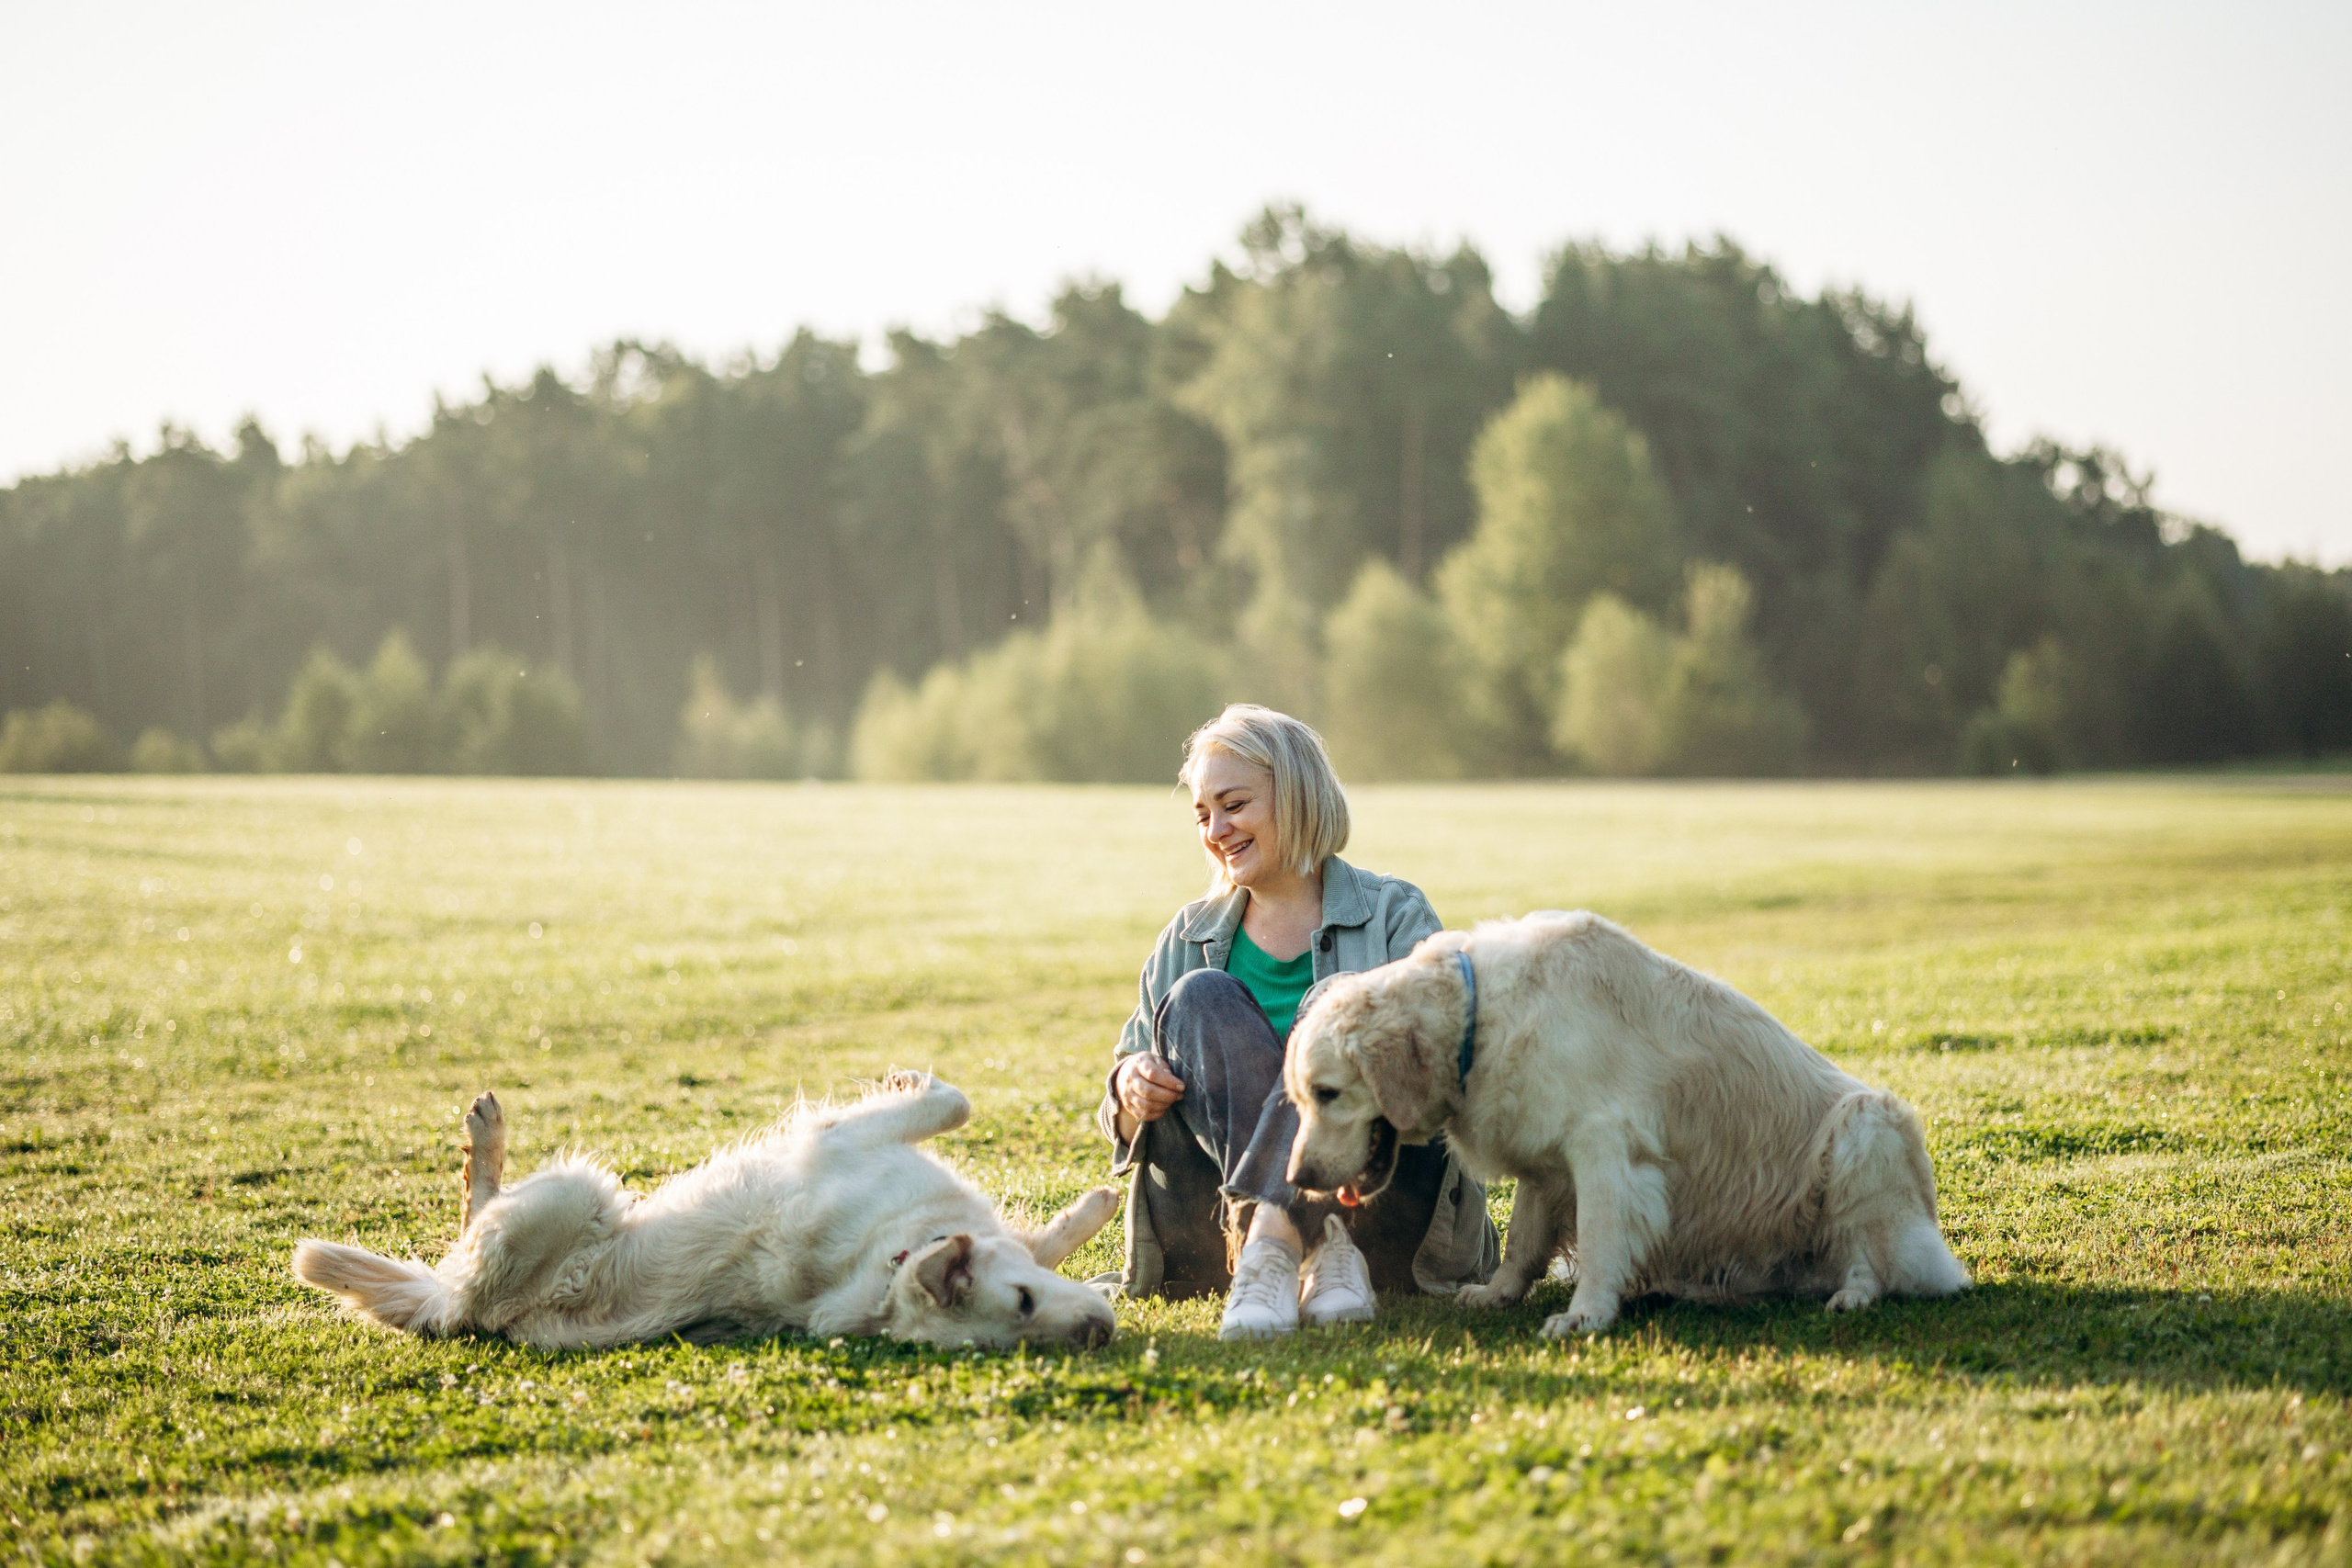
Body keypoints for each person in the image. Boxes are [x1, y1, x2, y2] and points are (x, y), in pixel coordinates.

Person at [1099, 705, 1497, 1338]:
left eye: (1234, 804)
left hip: (1382, 1218)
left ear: (1299, 795)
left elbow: (1450, 1068)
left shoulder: (1395, 912)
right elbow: (1119, 1102)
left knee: (1339, 1002)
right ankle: (1284, 1246)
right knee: (1199, 994)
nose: (1216, 829)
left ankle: (1289, 1242)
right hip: (1214, 1241)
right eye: (1204, 814)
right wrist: (1129, 1087)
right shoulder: (1186, 935)